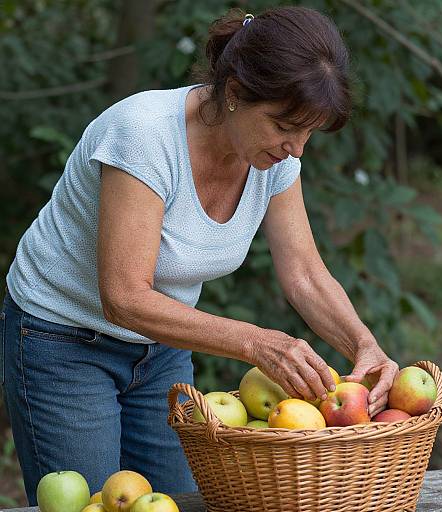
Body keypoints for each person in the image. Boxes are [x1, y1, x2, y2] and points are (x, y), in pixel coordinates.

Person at [0, 5, 398, 505]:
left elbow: (304, 274)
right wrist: (255, 343)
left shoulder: (272, 159)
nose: (296, 148)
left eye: (309, 132)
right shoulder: (143, 137)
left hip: (163, 350)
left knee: (186, 501)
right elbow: (122, 297)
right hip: (63, 342)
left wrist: (364, 344)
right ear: (234, 94)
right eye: (284, 126)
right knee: (91, 503)